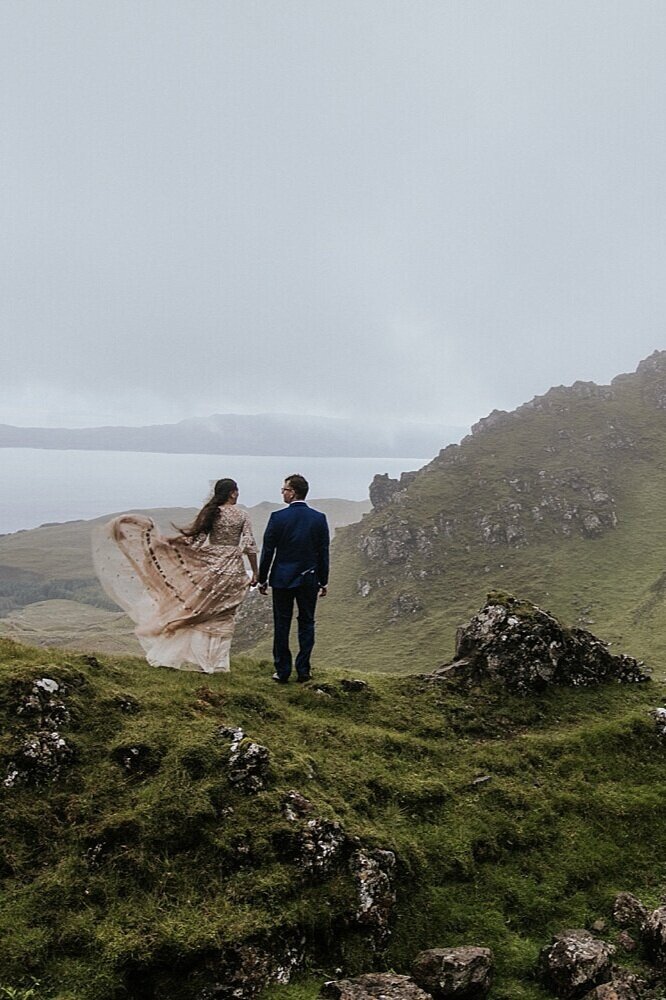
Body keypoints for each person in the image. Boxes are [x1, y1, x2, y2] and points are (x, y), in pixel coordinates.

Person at [92, 478, 258, 673]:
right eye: (236, 491)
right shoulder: (242, 515)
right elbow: (249, 544)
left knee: (203, 613)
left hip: (212, 566)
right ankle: (218, 663)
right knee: (225, 614)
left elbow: (198, 541)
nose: (237, 494)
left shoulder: (211, 512)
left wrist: (178, 557)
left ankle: (206, 661)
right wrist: (255, 570)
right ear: (232, 493)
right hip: (233, 568)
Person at [257, 474, 330, 684]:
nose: (282, 492)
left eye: (285, 489)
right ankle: (304, 670)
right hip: (309, 578)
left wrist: (263, 579)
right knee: (307, 622)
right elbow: (323, 551)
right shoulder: (318, 518)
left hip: (282, 578)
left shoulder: (277, 518)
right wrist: (323, 581)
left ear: (294, 492)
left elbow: (268, 551)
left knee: (282, 623)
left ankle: (282, 670)